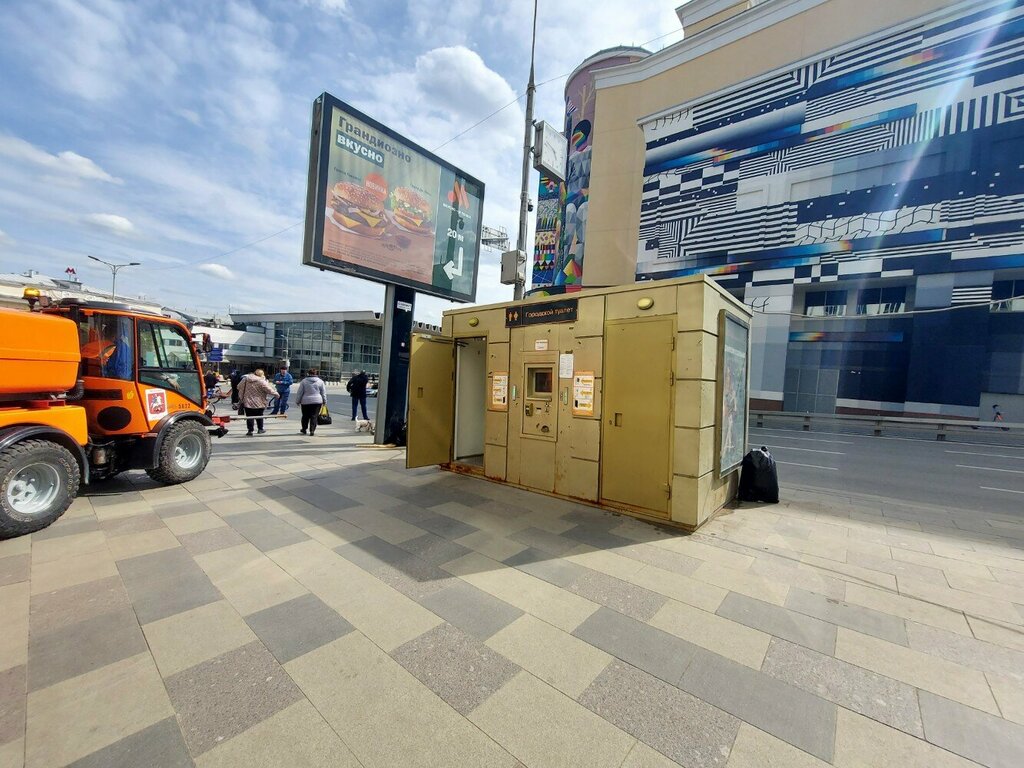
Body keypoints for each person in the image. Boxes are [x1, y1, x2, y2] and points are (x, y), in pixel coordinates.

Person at [237, 368, 276, 436]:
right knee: (260, 415)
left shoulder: (245, 379)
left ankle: (250, 430)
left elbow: (238, 387)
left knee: (249, 416)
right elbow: (269, 390)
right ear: (262, 375)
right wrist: (276, 394)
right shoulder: (262, 381)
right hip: (259, 402)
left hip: (247, 401)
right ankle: (260, 429)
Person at [295, 368, 327, 436]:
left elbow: (300, 392)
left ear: (308, 373)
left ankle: (304, 429)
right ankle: (312, 430)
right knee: (314, 416)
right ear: (316, 374)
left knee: (305, 416)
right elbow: (323, 392)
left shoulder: (304, 381)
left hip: (305, 401)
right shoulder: (320, 381)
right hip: (317, 401)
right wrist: (324, 401)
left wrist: (298, 401)